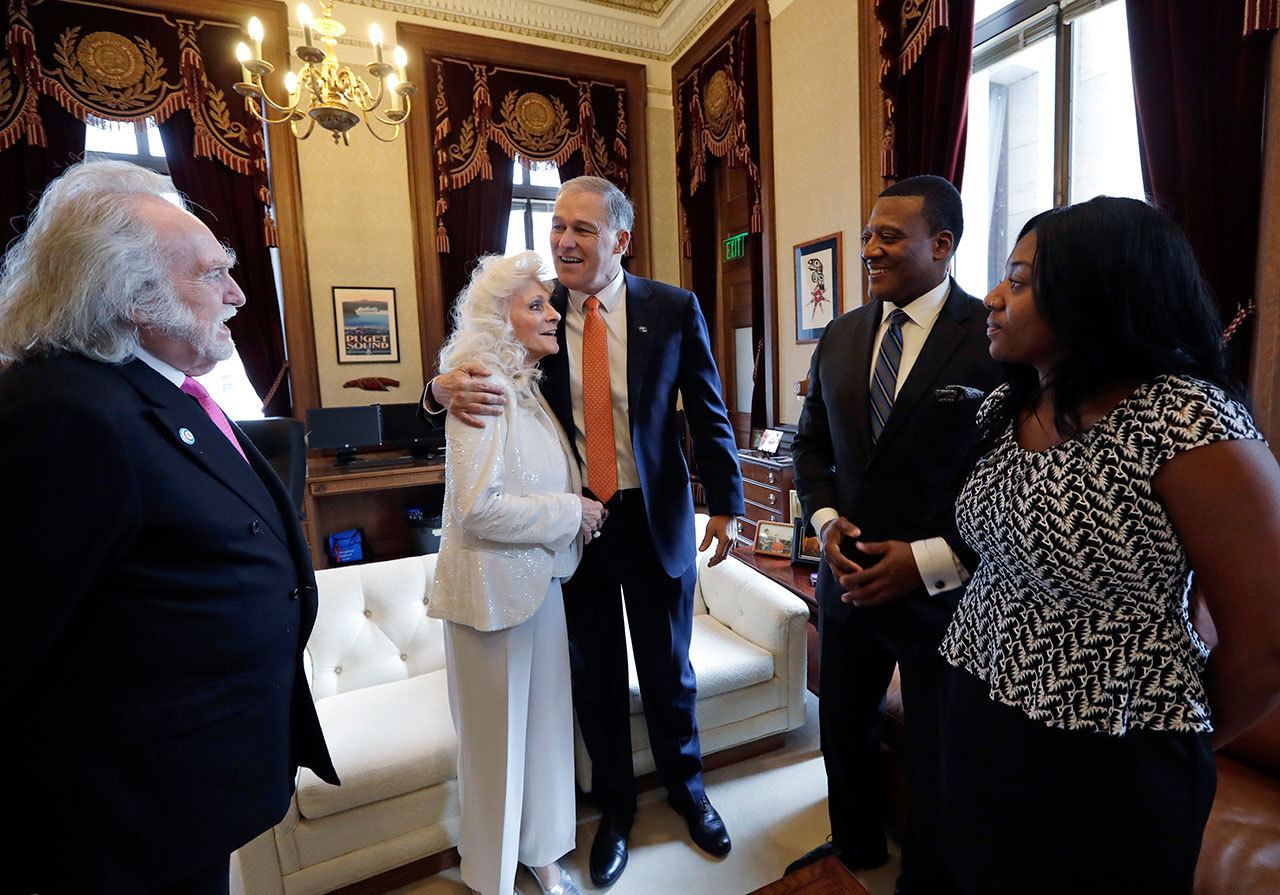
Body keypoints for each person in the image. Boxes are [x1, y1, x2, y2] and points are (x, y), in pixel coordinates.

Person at [0, 160, 338, 894]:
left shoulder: (153, 388)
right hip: (116, 822)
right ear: (131, 296)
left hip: (179, 797)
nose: (238, 293)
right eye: (213, 272)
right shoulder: (64, 414)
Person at [938, 196, 1280, 894]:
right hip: (979, 712)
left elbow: (1268, 640)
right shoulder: (1007, 406)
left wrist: (1166, 730)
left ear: (1097, 291)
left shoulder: (1183, 419)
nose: (993, 298)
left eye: (1021, 280)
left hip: (1110, 751)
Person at [424, 176, 744, 887]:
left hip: (654, 515)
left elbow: (711, 411)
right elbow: (471, 360)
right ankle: (618, 811)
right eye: (558, 226)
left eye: (584, 230)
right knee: (594, 678)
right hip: (577, 528)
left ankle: (690, 793)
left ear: (621, 240)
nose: (564, 242)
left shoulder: (674, 307)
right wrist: (436, 387)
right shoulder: (536, 312)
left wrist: (727, 503)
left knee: (669, 673)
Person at [790, 175, 1004, 893]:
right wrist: (824, 522)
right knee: (843, 728)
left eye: (889, 236)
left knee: (940, 749)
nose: (870, 249)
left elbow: (1009, 477)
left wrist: (929, 561)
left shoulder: (992, 340)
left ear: (942, 245)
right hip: (844, 580)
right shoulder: (844, 334)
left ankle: (928, 879)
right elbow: (811, 446)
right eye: (867, 235)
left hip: (944, 596)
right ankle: (853, 846)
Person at [428, 251, 601, 895]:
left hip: (542, 586)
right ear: (500, 320)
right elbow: (476, 510)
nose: (553, 311)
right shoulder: (482, 386)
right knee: (496, 749)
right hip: (489, 598)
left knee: (548, 731)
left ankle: (543, 854)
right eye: (536, 305)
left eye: (549, 302)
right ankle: (492, 877)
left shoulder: (528, 383)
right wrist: (571, 510)